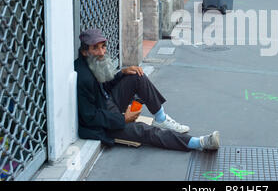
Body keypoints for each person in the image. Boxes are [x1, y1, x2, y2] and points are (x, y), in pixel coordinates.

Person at [75, 29, 220, 152]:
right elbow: (90, 117)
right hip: (104, 124)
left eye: (103, 46)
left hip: (107, 103)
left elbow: (104, 85)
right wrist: (122, 119)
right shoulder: (83, 78)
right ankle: (198, 143)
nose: (101, 52)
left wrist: (122, 73)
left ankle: (161, 118)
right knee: (144, 131)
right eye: (96, 48)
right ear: (85, 52)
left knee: (137, 76)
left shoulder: (92, 63)